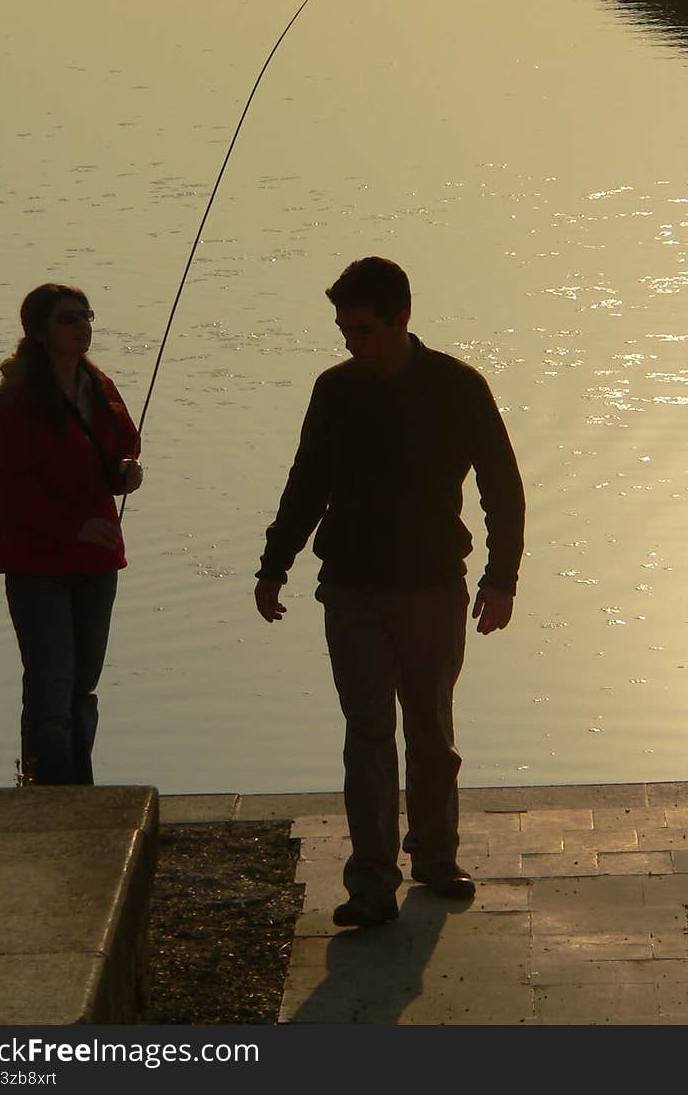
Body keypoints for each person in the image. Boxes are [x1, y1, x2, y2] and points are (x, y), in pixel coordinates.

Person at [255, 257, 525, 927]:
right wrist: (273, 564)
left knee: (430, 730)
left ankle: (436, 855)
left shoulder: (458, 386)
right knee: (367, 732)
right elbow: (306, 483)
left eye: (365, 329)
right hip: (350, 589)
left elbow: (502, 487)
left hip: (434, 587)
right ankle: (371, 882)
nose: (353, 342)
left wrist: (501, 578)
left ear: (402, 318)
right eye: (344, 330)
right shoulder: (334, 389)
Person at [0, 283, 143, 786]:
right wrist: (75, 525)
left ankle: (81, 793)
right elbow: (13, 493)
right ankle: (48, 798)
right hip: (38, 566)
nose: (82, 326)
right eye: (68, 318)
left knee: (83, 692)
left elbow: (122, 448)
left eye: (86, 315)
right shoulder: (17, 403)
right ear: (39, 332)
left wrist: (125, 473)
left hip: (95, 563)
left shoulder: (100, 388)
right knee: (51, 691)